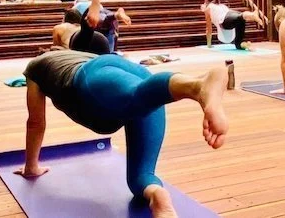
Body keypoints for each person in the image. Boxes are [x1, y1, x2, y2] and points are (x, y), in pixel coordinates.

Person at [14, 50, 230, 218]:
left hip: (91, 76)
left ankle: (197, 85)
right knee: (140, 179)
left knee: (136, 96)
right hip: (137, 78)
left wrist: (31, 167)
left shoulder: (35, 67)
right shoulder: (74, 54)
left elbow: (35, 122)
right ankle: (157, 196)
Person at [201, 0, 266, 51]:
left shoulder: (208, 8)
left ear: (206, 0)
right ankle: (246, 45)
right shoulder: (221, 5)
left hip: (225, 20)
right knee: (238, 44)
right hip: (232, 15)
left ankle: (253, 15)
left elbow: (208, 28)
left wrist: (209, 45)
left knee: (241, 17)